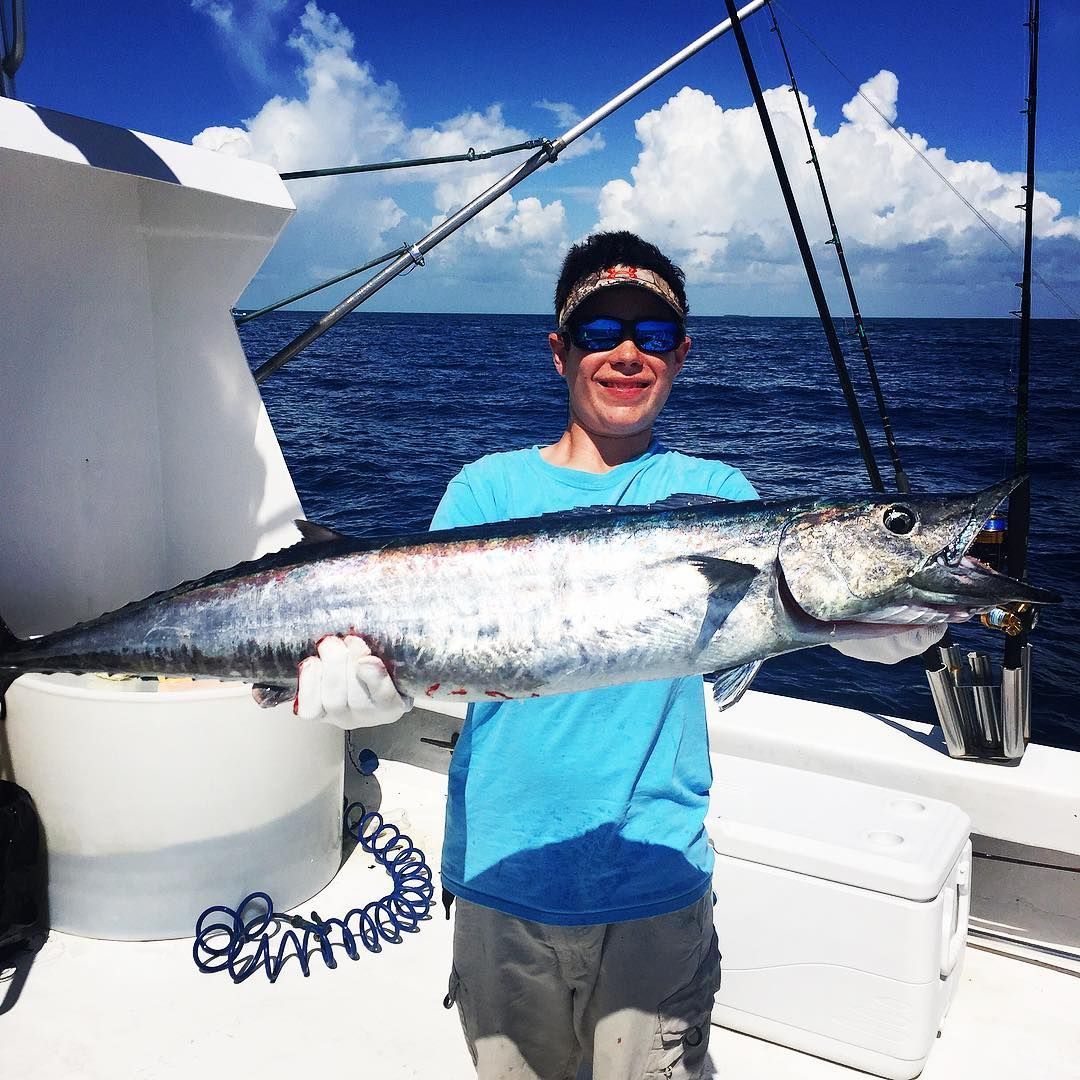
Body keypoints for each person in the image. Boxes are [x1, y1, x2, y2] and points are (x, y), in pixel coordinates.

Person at [294, 231, 943, 1080]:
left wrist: (874, 619)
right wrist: (377, 687)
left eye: (655, 335)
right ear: (561, 352)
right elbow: (430, 643)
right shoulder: (484, 490)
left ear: (681, 356)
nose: (628, 353)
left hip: (653, 881)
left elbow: (777, 615)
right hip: (502, 872)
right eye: (602, 333)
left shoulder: (721, 496)